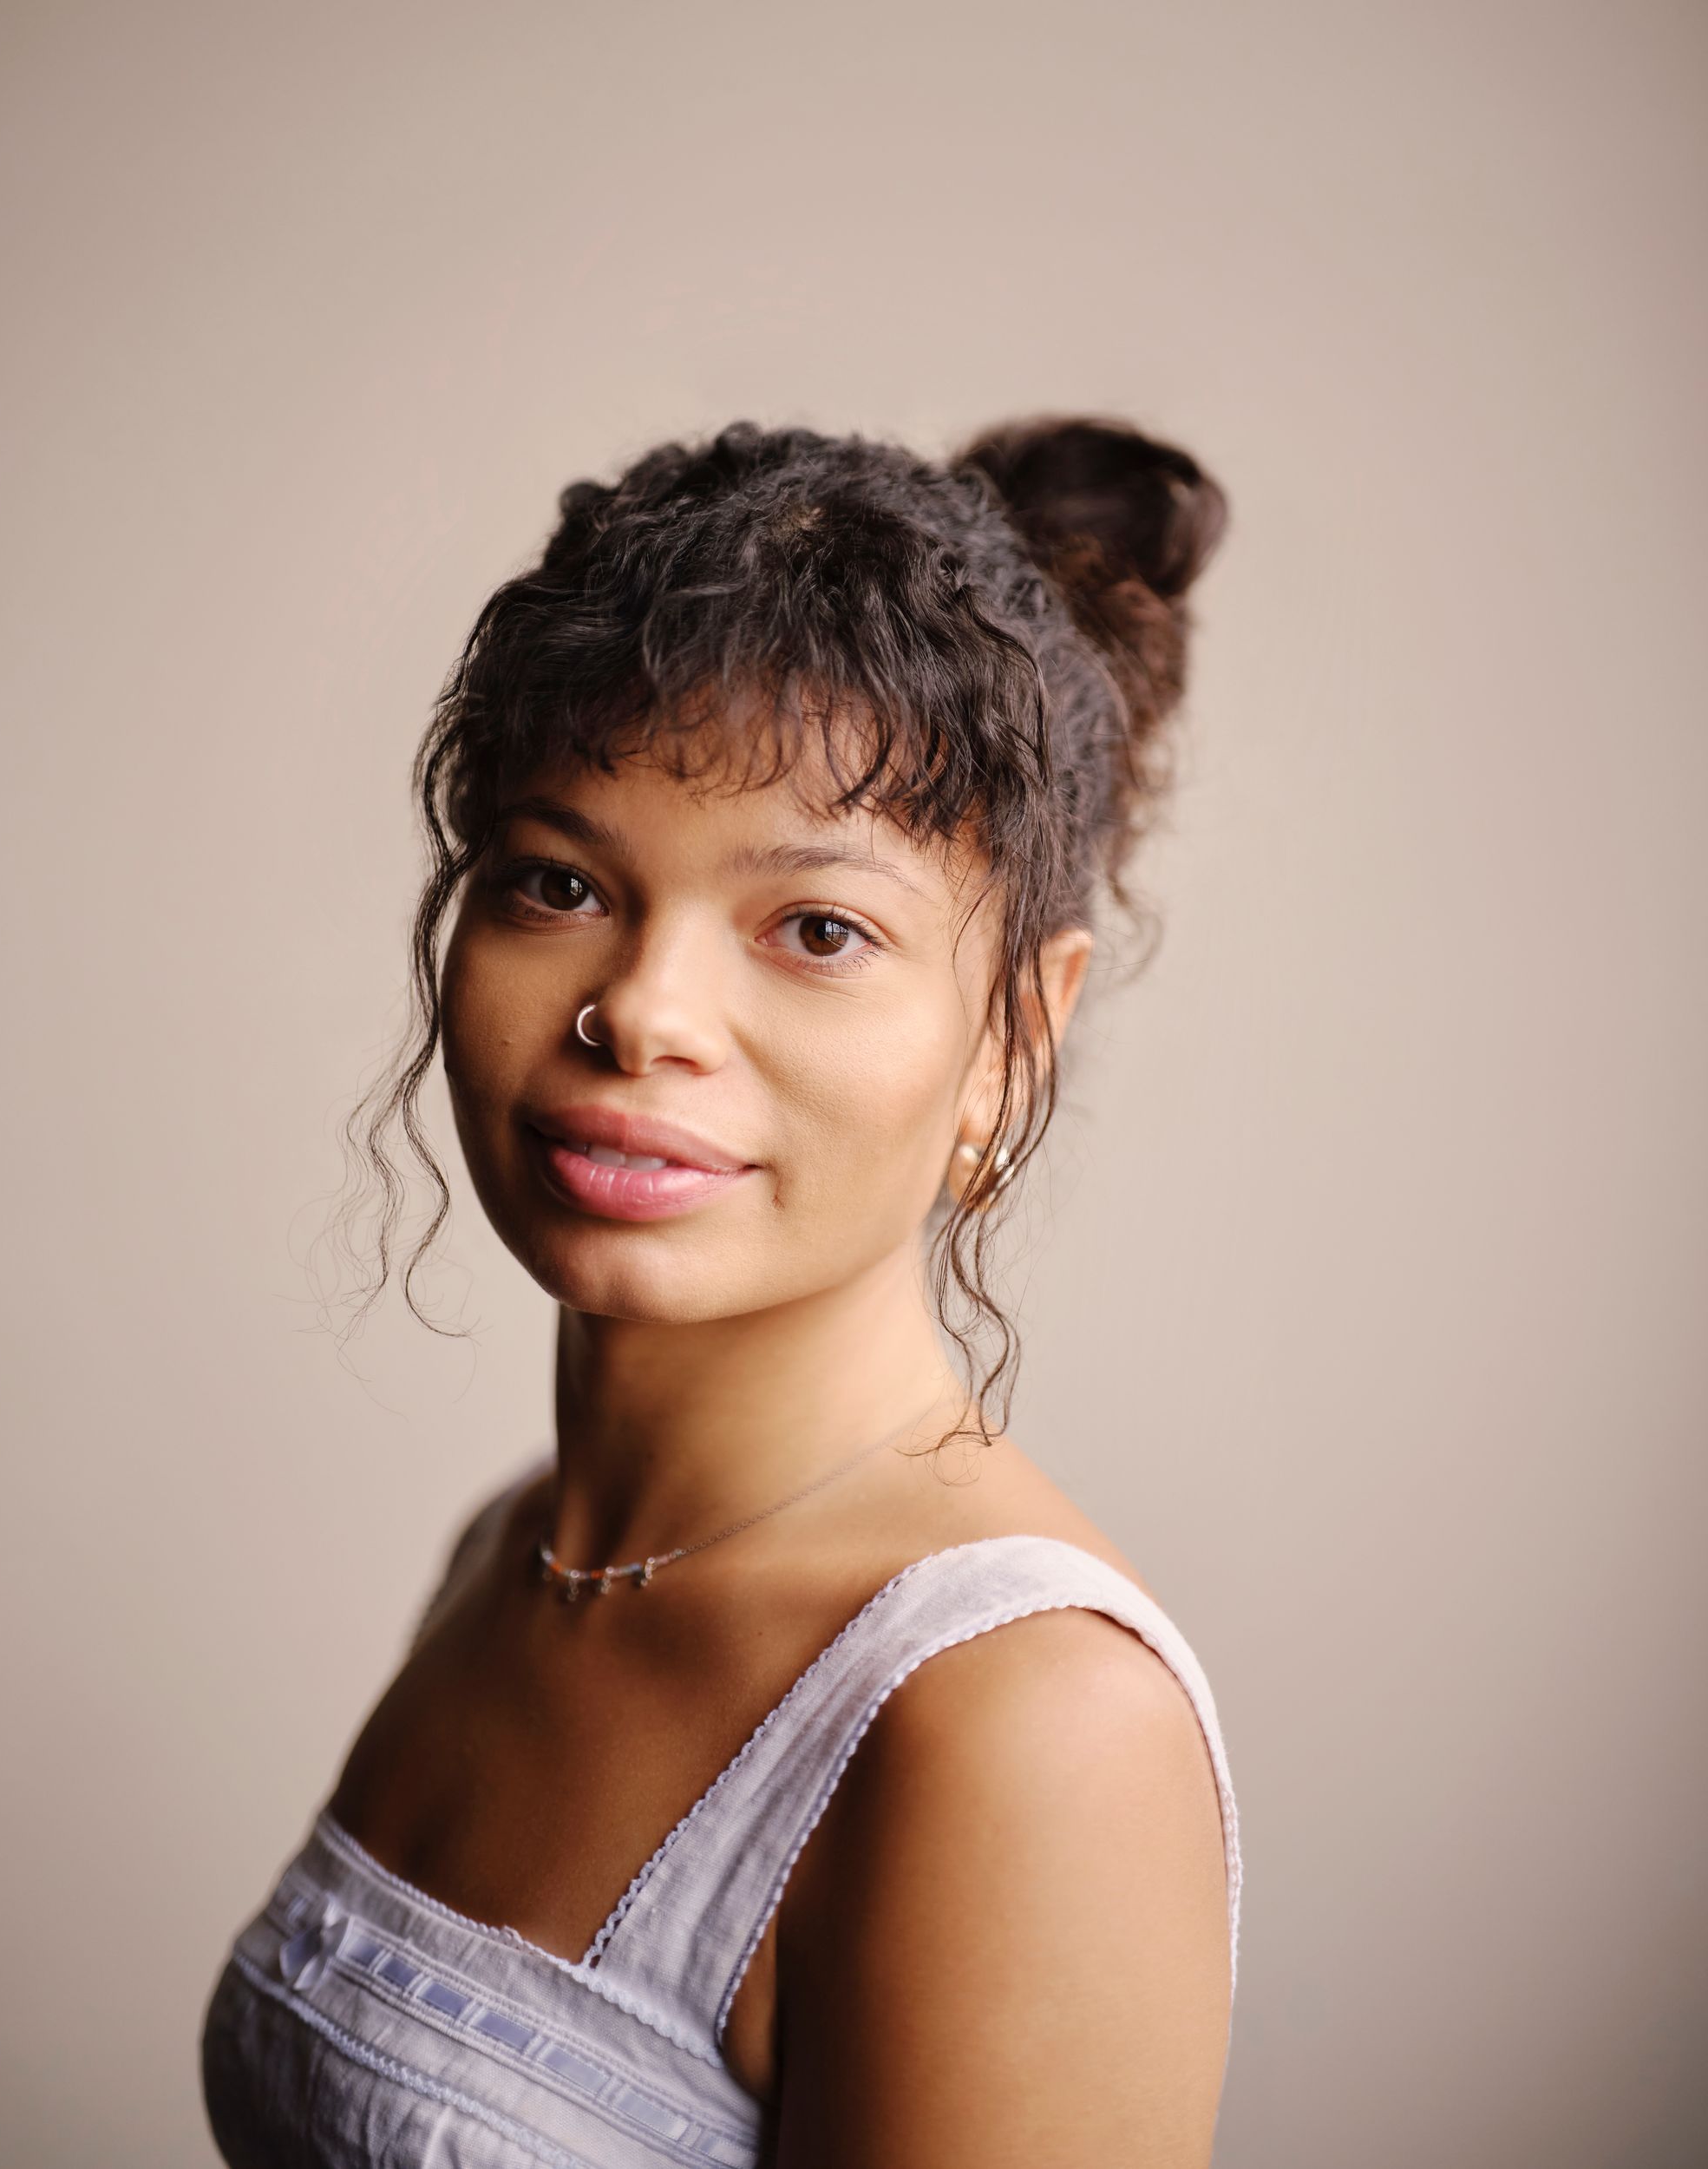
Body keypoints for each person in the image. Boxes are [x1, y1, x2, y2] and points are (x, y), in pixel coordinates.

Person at [200, 414, 1242, 2167]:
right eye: (558, 882)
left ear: (1015, 1032)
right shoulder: (516, 1545)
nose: (640, 1008)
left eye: (815, 927)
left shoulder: (1016, 1722)